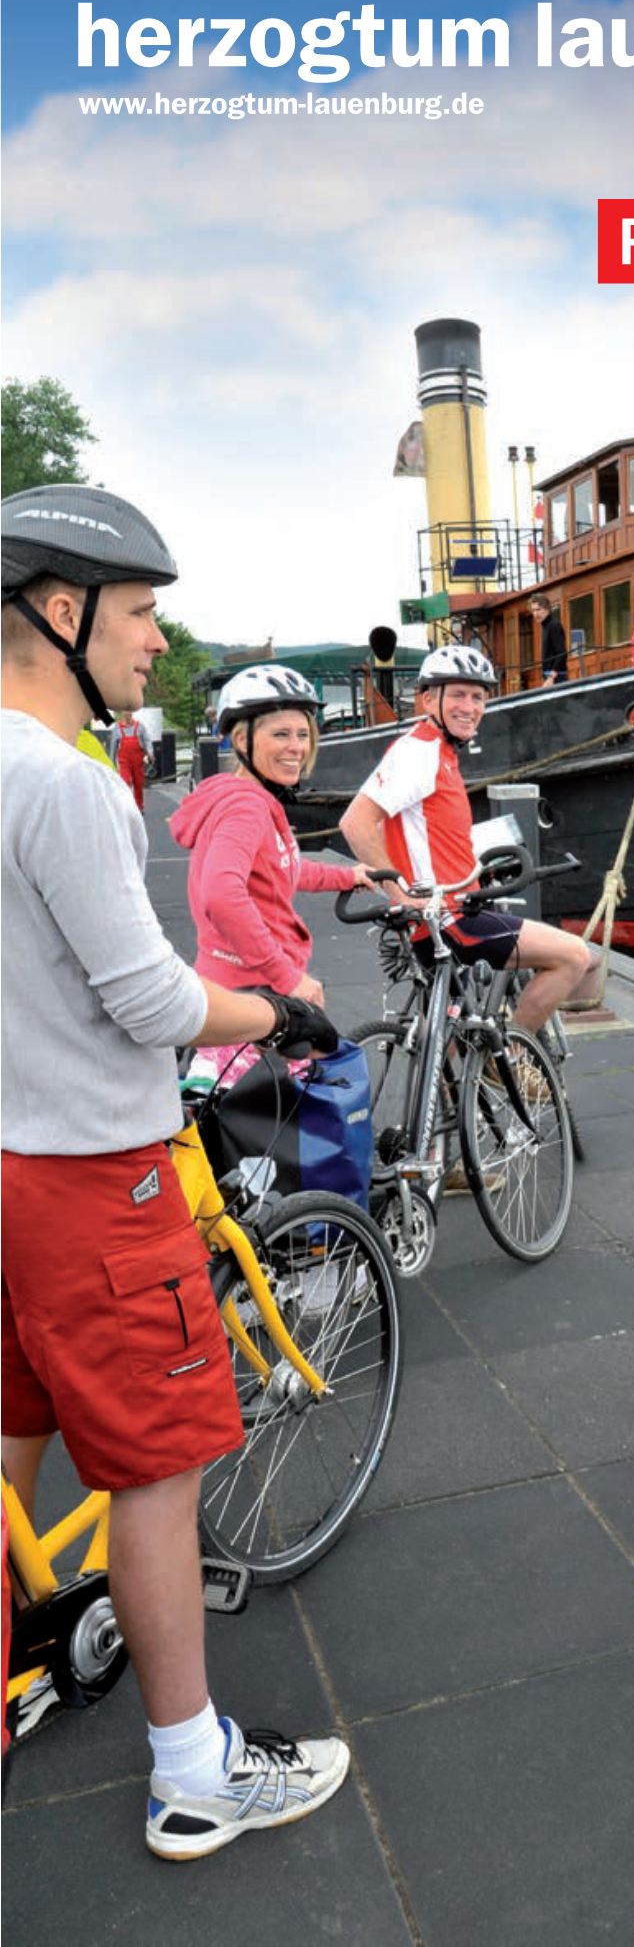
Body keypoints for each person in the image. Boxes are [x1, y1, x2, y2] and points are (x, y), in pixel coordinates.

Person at [2, 483, 350, 1854]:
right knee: (157, 1472)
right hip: (99, 1178)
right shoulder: (66, 783)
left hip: (9, 1167)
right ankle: (195, 1772)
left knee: (12, 1447)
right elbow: (152, 1001)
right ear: (61, 610)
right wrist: (277, 1014)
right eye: (141, 613)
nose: (157, 643)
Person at [339, 643, 599, 1034]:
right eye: (458, 695)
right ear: (429, 699)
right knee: (573, 956)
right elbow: (356, 823)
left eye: (478, 697)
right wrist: (401, 895)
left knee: (449, 1041)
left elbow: (407, 830)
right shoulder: (420, 751)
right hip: (452, 920)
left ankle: (456, 1088)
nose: (470, 706)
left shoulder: (440, 751)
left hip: (446, 913)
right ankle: (510, 1059)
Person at [169, 664, 374, 1088]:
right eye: (280, 734)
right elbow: (222, 895)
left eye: (302, 734)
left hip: (238, 989)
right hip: (252, 994)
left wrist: (348, 876)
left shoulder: (246, 799)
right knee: (292, 1129)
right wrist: (287, 976)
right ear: (242, 740)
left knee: (254, 1135)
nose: (296, 747)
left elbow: (284, 869)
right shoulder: (247, 806)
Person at [109, 708, 153, 809]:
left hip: (138, 761)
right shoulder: (117, 728)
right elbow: (113, 748)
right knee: (125, 782)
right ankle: (128, 807)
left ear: (132, 713)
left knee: (138, 784)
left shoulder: (140, 727)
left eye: (129, 712)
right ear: (122, 713)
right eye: (125, 712)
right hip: (124, 761)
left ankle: (139, 806)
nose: (127, 714)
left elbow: (147, 741)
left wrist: (150, 752)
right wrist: (111, 764)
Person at [529, 593, 569, 686]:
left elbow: (562, 654)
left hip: (557, 677)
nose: (535, 614)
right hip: (550, 677)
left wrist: (551, 677)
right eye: (533, 610)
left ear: (547, 609)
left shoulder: (554, 625)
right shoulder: (545, 626)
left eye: (538, 609)